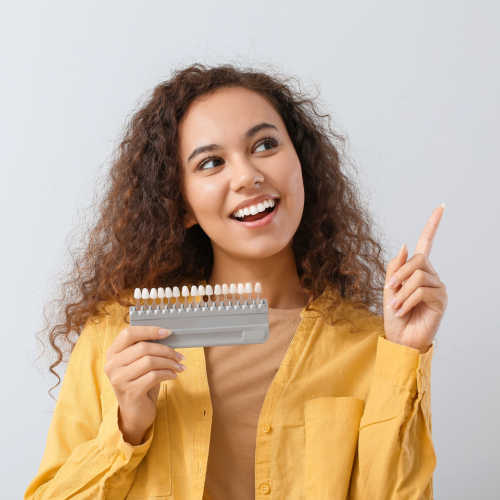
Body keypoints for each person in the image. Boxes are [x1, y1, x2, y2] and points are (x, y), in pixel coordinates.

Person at [25, 63, 440, 499]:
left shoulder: (374, 347)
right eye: (210, 163)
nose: (246, 176)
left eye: (265, 144)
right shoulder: (121, 334)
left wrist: (405, 353)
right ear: (180, 203)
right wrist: (127, 428)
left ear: (302, 165)